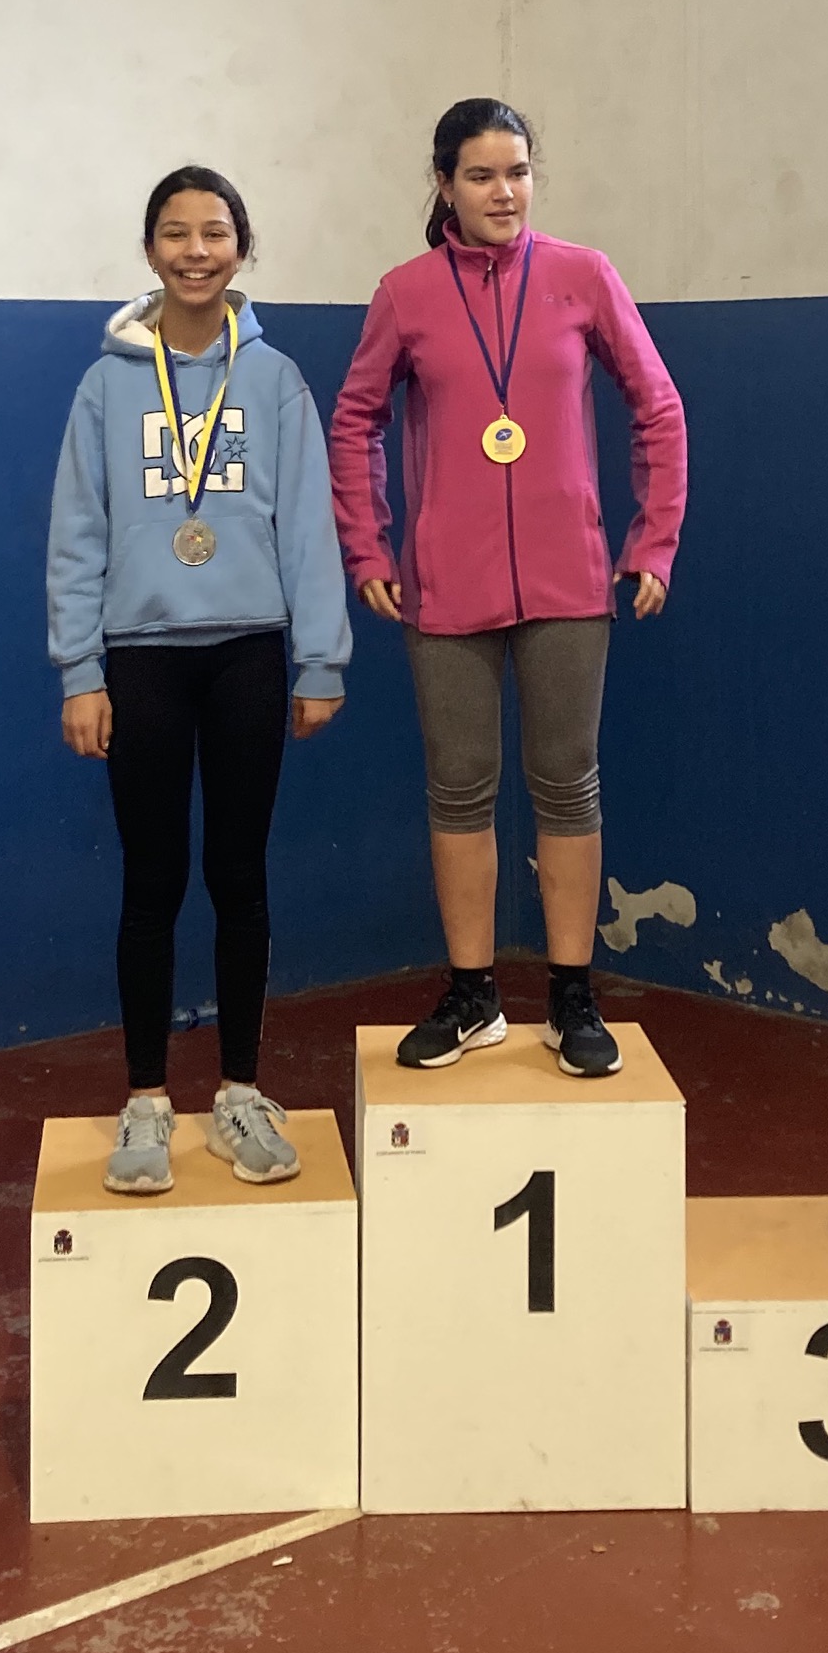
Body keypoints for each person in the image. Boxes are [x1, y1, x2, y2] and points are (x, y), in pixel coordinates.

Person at [329, 97, 687, 1080]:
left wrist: (652, 541)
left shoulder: (583, 276)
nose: (504, 193)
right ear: (444, 185)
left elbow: (658, 407)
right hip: (446, 585)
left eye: (518, 173)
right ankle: (473, 993)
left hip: (570, 580)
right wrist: (370, 547)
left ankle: (572, 996)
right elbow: (355, 421)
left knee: (568, 783)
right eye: (482, 175)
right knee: (459, 788)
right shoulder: (405, 293)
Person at [48, 167, 350, 1195]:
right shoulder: (105, 387)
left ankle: (240, 1093)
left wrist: (320, 658)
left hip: (248, 655)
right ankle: (145, 1100)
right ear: (150, 251)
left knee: (239, 876)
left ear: (240, 248)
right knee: (152, 880)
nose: (195, 251)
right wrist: (80, 670)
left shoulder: (274, 379)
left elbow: (306, 525)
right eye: (175, 234)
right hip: (141, 659)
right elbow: (77, 533)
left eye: (214, 233)